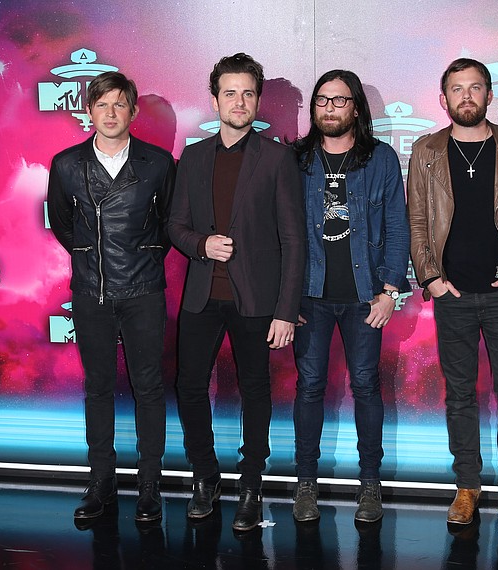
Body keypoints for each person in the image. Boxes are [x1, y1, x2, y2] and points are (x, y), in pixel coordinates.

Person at [407, 58, 498, 533]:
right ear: (443, 98)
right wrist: (430, 278)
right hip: (451, 296)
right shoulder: (426, 151)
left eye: (475, 88)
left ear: (489, 96)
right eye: (456, 89)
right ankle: (467, 486)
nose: (466, 96)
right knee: (460, 397)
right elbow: (418, 223)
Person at [168, 53, 305, 532]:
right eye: (230, 93)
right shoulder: (194, 156)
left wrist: (286, 310)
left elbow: (294, 239)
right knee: (188, 388)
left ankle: (251, 484)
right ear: (215, 99)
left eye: (248, 93)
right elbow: (175, 226)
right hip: (202, 296)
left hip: (257, 301)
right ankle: (205, 478)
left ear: (258, 100)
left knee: (255, 392)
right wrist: (201, 244)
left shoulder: (278, 158)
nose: (239, 101)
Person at [47, 71, 176, 523]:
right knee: (98, 389)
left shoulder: (158, 163)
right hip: (91, 293)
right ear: (89, 111)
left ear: (133, 112)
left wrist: (141, 254)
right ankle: (101, 484)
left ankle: (149, 487)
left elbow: (169, 224)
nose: (111, 113)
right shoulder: (66, 164)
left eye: (120, 104)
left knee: (149, 388)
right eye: (102, 105)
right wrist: (90, 257)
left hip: (143, 291)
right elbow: (64, 224)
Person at [290, 70, 410, 524]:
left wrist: (389, 292)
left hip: (365, 298)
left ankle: (370, 486)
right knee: (309, 388)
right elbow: (281, 233)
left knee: (365, 386)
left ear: (356, 108)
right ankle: (306, 484)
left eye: (340, 101)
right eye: (322, 100)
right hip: (310, 297)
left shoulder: (379, 160)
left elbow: (398, 227)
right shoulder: (297, 160)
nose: (330, 108)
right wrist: (287, 300)